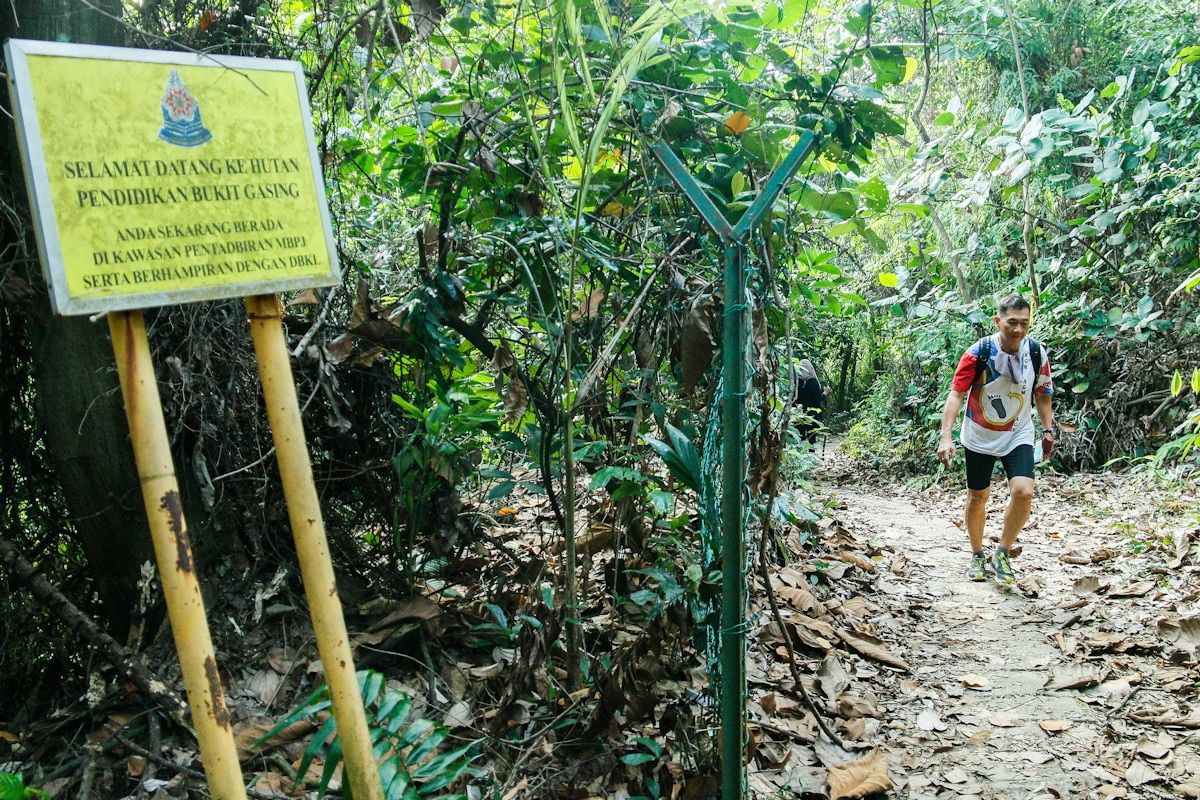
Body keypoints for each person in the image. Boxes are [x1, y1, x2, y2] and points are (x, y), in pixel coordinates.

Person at [937, 295, 1057, 585]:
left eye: (1024, 323)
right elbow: (956, 394)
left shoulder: (1036, 353)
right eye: (1012, 323)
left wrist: (1048, 429)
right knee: (978, 496)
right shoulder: (979, 352)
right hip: (979, 434)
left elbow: (1043, 394)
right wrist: (945, 436)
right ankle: (978, 554)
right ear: (998, 321)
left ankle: (1002, 551)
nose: (1018, 329)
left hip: (1018, 432)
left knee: (1024, 491)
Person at [794, 357, 825, 444]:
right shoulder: (813, 382)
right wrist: (825, 393)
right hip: (812, 415)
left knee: (800, 437)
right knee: (812, 438)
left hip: (798, 413)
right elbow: (818, 399)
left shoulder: (797, 382)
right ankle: (812, 455)